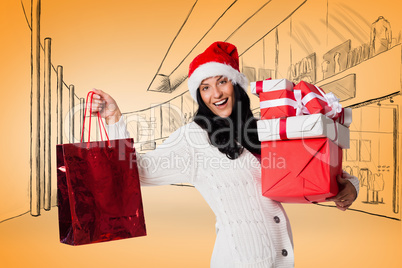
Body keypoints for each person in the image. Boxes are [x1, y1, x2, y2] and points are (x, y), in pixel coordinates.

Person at [90, 41, 359, 267]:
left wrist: (349, 186)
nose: (216, 93)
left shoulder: (262, 128)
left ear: (237, 86)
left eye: (222, 81)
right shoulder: (194, 137)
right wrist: (115, 120)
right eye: (205, 87)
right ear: (199, 94)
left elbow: (305, 168)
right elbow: (136, 172)